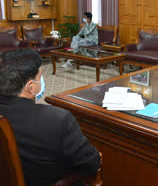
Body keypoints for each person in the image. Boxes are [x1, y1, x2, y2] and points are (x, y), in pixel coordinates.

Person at [0, 49, 101, 186]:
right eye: (40, 76)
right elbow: (91, 163)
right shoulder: (58, 119)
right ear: (30, 87)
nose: (42, 81)